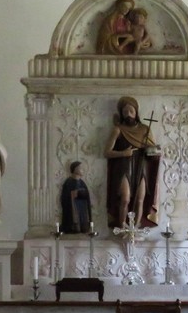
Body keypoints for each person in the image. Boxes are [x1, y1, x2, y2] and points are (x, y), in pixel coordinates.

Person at [105, 96, 161, 228]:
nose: (128, 114)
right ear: (121, 114)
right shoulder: (118, 130)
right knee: (125, 198)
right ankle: (123, 226)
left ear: (136, 112)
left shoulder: (145, 129)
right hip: (123, 167)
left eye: (131, 111)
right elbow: (107, 152)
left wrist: (152, 150)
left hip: (141, 166)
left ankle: (135, 228)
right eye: (125, 112)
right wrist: (123, 153)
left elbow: (154, 151)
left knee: (140, 199)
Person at [60, 161, 92, 234]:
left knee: (83, 224)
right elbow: (65, 198)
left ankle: (83, 226)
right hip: (73, 208)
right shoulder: (68, 182)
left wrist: (81, 193)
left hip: (82, 208)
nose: (83, 170)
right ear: (74, 169)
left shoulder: (82, 183)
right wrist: (74, 194)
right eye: (80, 168)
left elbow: (86, 195)